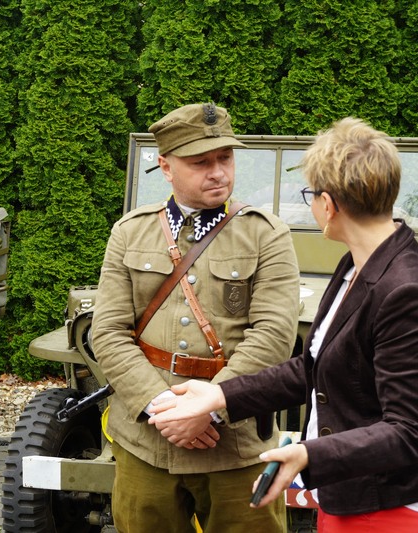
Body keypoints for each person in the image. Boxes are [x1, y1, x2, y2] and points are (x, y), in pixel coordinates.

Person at [148, 117, 418, 533]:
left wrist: (309, 455)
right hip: (352, 489)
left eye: (310, 195)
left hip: (389, 504)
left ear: (329, 205)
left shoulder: (408, 293)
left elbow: (408, 432)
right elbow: (313, 367)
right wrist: (218, 395)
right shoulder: (358, 261)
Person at [91, 102, 300, 533]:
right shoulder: (130, 231)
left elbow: (274, 335)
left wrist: (211, 409)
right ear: (166, 168)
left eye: (225, 157)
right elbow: (108, 331)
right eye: (200, 162)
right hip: (148, 440)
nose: (218, 172)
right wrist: (159, 409)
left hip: (236, 442)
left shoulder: (266, 233)